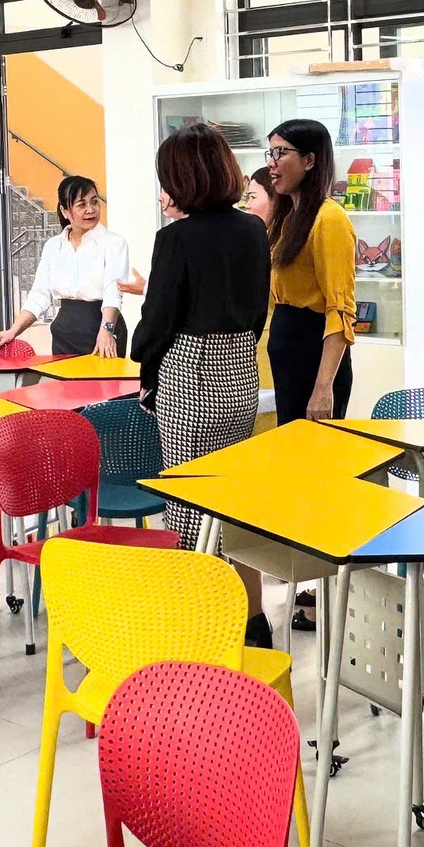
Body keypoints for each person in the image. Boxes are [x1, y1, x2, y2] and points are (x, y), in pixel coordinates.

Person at [129, 123, 273, 641]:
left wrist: (145, 366)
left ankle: (202, 629)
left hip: (190, 372)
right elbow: (257, 309)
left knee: (190, 506)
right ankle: (253, 621)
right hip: (241, 371)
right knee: (233, 503)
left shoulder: (175, 239)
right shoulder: (252, 229)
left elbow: (157, 319)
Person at [265, 118, 356, 423]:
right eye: (270, 153)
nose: (271, 163)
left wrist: (323, 387)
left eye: (280, 153)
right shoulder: (287, 218)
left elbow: (340, 309)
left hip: (313, 352)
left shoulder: (329, 218)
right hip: (287, 348)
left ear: (309, 161)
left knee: (314, 447)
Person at [0, 175, 132, 357]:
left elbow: (114, 290)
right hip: (64, 332)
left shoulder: (114, 243)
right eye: (81, 205)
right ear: (65, 211)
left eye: (94, 202)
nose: (91, 209)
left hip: (102, 329)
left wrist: (107, 331)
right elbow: (39, 295)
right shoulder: (53, 246)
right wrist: (13, 331)